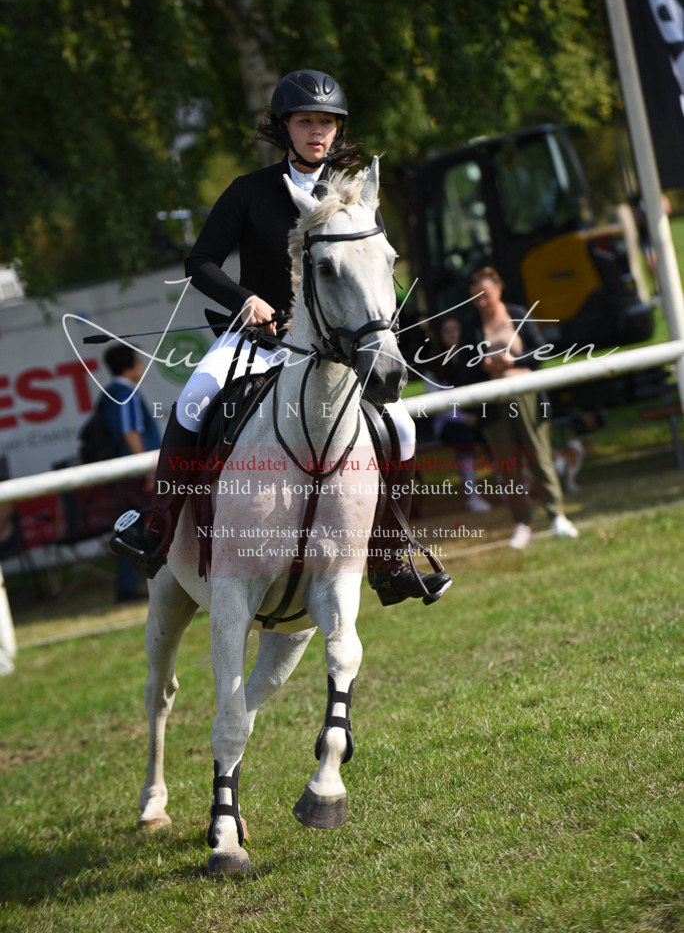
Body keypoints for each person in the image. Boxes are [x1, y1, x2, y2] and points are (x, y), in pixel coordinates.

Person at [110, 69, 451, 605]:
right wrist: (245, 298)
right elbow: (199, 262)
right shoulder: (249, 193)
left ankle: (388, 556)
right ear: (285, 127)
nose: (318, 133)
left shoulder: (355, 196)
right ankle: (157, 522)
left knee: (402, 429)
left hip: (333, 350)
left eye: (328, 124)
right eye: (307, 122)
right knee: (195, 399)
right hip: (257, 340)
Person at [461, 267, 579, 549]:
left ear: (498, 289)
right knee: (506, 466)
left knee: (538, 457)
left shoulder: (517, 313)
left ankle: (556, 515)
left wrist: (513, 361)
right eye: (475, 297)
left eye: (485, 295)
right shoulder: (470, 325)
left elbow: (541, 351)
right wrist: (484, 365)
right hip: (492, 402)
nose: (481, 301)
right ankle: (522, 523)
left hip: (526, 396)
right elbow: (463, 369)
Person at [100, 344, 161, 601]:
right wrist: (147, 473)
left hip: (122, 474)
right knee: (135, 529)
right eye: (139, 360)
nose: (142, 365)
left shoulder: (109, 393)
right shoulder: (125, 393)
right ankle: (132, 586)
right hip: (135, 474)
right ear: (129, 365)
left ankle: (129, 586)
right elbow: (130, 433)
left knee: (128, 528)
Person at [423, 315, 491, 514]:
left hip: (478, 416)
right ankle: (473, 498)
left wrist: (477, 415)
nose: (453, 335)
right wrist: (464, 418)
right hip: (449, 423)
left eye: (456, 329)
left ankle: (508, 489)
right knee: (465, 438)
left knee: (491, 432)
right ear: (439, 336)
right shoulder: (432, 366)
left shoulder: (475, 357)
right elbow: (437, 406)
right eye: (447, 331)